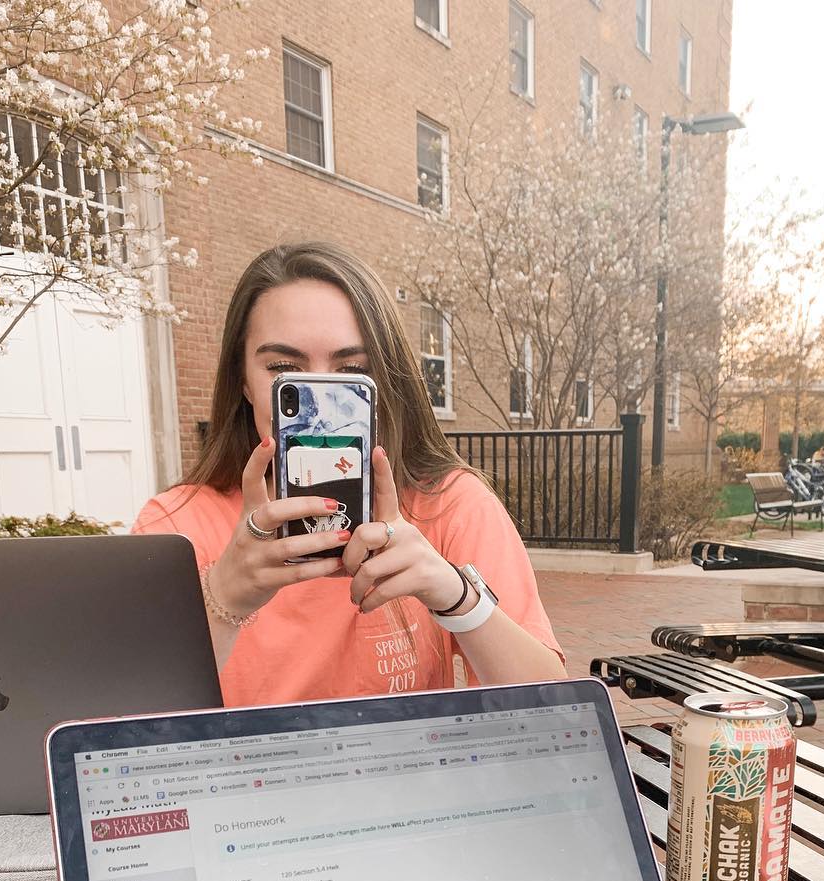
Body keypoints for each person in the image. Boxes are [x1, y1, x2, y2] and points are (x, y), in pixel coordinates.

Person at [133, 242, 565, 705]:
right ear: (242, 380)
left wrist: (457, 598)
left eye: (351, 371)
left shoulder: (448, 505)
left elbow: (557, 712)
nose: (321, 400)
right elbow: (118, 737)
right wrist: (223, 600)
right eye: (284, 368)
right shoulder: (175, 525)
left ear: (385, 378)